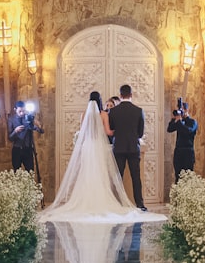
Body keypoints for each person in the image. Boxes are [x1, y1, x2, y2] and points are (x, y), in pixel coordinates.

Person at [39, 91, 163, 222]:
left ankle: (86, 202)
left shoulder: (84, 115)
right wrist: (122, 132)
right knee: (101, 174)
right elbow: (108, 132)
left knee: (87, 174)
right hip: (99, 146)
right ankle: (109, 201)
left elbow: (82, 132)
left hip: (87, 146)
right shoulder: (103, 114)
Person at [108, 85, 147, 210]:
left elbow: (112, 128)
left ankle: (116, 203)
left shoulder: (114, 111)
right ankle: (140, 204)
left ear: (120, 95)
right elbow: (140, 133)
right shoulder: (138, 110)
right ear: (131, 95)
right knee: (136, 177)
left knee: (118, 177)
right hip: (133, 148)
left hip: (118, 147)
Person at [166, 101, 197, 182]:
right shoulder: (179, 121)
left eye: (182, 110)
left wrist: (179, 121)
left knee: (188, 177)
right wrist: (175, 120)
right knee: (178, 176)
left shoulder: (192, 122)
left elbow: (188, 131)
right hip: (178, 151)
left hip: (188, 152)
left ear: (186, 110)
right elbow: (169, 129)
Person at [8, 101, 43, 172]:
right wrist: (15, 131)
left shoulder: (29, 118)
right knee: (17, 173)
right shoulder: (11, 120)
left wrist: (39, 126)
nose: (22, 113)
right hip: (17, 149)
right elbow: (10, 138)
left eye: (23, 111)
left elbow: (40, 130)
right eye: (20, 111)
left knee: (30, 172)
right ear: (15, 109)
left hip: (28, 149)